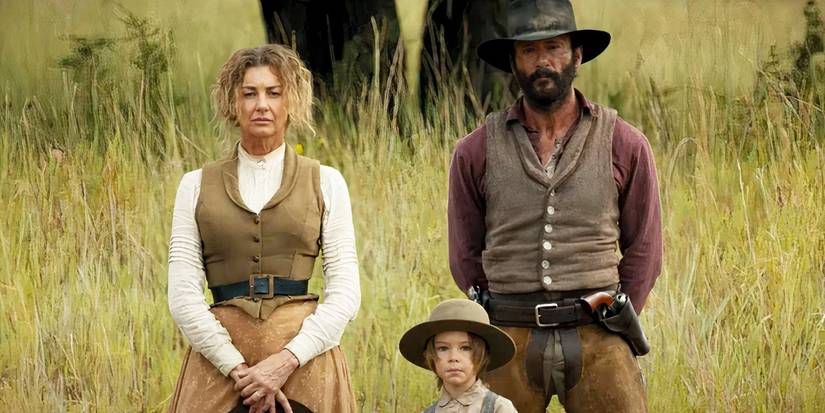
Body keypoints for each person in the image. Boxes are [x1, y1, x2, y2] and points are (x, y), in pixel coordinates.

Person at [448, 0, 663, 411]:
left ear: (576, 55)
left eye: (554, 47)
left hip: (598, 335)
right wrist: (502, 307)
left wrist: (615, 320)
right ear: (513, 62)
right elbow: (464, 254)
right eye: (528, 51)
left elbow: (646, 250)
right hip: (509, 335)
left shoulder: (625, 143)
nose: (542, 61)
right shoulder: (474, 151)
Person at [167, 44, 360, 413]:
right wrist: (234, 366)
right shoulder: (194, 185)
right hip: (219, 361)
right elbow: (182, 294)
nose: (261, 105)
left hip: (305, 359)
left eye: (274, 93)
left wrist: (287, 360)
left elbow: (346, 292)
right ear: (232, 102)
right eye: (249, 93)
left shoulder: (327, 181)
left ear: (291, 102)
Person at [399, 299, 519, 413]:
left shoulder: (499, 408)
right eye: (443, 348)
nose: (453, 357)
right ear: (430, 356)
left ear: (482, 355)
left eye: (466, 348)